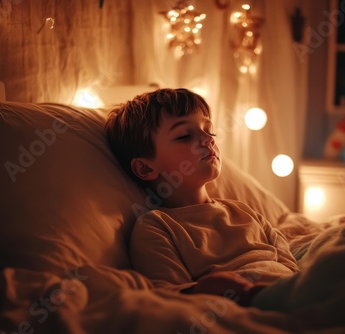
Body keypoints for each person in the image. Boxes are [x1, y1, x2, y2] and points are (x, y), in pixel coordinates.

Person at [105, 88, 299, 307]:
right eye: (184, 136)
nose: (207, 139)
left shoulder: (244, 211)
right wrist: (207, 289)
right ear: (145, 167)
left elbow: (291, 267)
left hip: (293, 294)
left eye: (209, 130)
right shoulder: (156, 227)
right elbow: (172, 296)